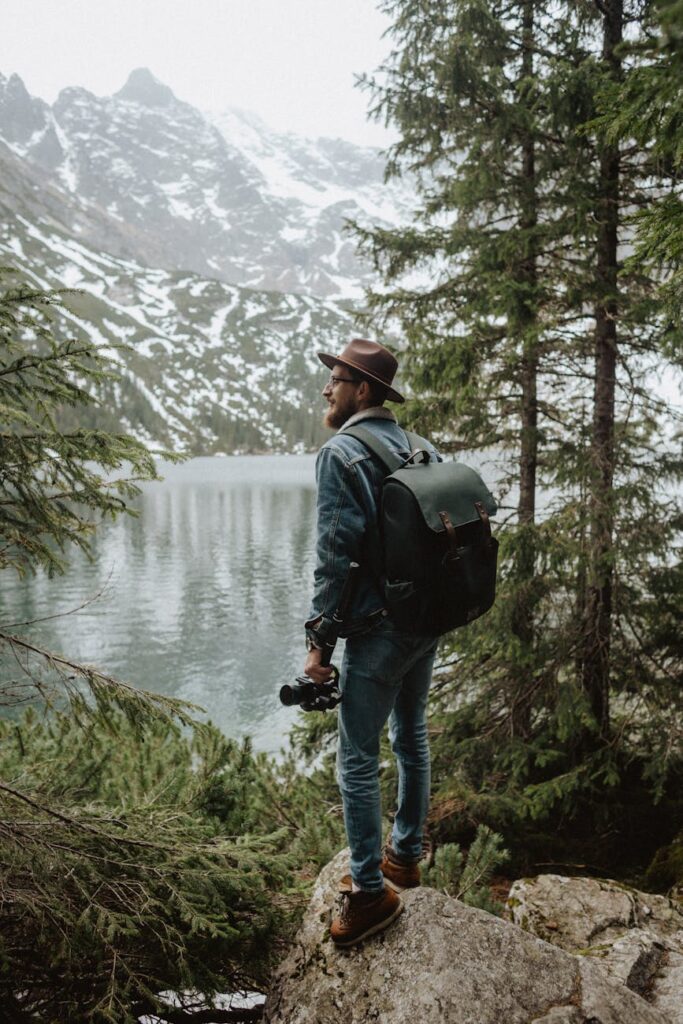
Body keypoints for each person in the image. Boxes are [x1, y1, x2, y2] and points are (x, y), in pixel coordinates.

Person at [303, 337, 440, 948]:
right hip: (425, 618)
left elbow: (335, 559)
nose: (326, 389)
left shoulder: (342, 452)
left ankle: (368, 892)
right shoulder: (419, 445)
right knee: (410, 734)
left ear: (362, 390)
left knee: (356, 757)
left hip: (380, 628)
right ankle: (404, 856)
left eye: (335, 379)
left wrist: (318, 647)